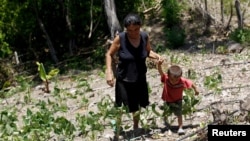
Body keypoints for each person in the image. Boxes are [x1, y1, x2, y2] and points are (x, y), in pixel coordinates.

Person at [105, 13, 163, 132]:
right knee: (121, 105)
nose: (133, 32)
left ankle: (136, 127)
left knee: (136, 104)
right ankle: (117, 128)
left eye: (136, 29)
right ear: (126, 29)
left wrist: (157, 56)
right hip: (124, 78)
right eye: (130, 30)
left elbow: (148, 52)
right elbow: (109, 54)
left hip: (140, 77)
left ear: (140, 26)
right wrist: (109, 72)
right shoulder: (120, 38)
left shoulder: (144, 37)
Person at [157, 62, 199, 135]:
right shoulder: (166, 78)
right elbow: (161, 72)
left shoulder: (182, 81)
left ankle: (180, 127)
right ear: (168, 76)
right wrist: (159, 65)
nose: (174, 82)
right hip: (167, 99)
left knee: (179, 114)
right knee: (166, 111)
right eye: (172, 80)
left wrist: (196, 90)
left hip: (178, 100)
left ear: (180, 77)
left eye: (176, 80)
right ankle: (166, 122)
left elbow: (191, 83)